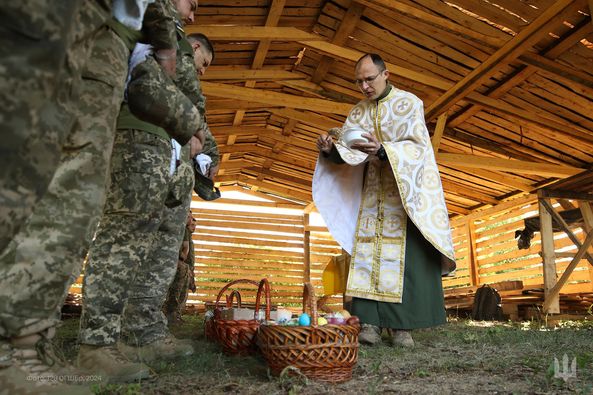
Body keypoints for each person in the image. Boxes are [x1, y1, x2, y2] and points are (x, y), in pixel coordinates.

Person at [0, 1, 166, 392]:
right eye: (190, 4)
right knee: (54, 202)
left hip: (87, 54)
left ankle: (34, 348)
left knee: (74, 212)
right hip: (63, 42)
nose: (190, 13)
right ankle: (14, 349)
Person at [77, 0, 211, 376]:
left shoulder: (163, 26)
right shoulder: (151, 21)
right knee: (121, 240)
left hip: (159, 141)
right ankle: (96, 345)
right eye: (192, 3)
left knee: (139, 242)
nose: (193, 13)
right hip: (135, 133)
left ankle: (138, 335)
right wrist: (190, 122)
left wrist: (192, 128)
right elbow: (147, 79)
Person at [313, 53, 456, 348]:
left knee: (403, 261)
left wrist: (383, 150)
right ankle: (370, 324)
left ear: (386, 74)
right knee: (366, 257)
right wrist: (331, 150)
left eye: (369, 79)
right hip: (371, 195)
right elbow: (349, 152)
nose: (364, 86)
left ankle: (402, 328)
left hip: (404, 196)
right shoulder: (357, 113)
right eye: (359, 81)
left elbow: (419, 150)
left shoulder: (409, 103)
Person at [163, 213, 197, 323]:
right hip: (180, 265)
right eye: (189, 218)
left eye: (193, 221)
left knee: (180, 292)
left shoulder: (186, 232)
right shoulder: (182, 231)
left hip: (184, 266)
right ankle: (172, 315)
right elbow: (185, 250)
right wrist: (182, 258)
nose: (192, 223)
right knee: (177, 291)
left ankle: (176, 315)